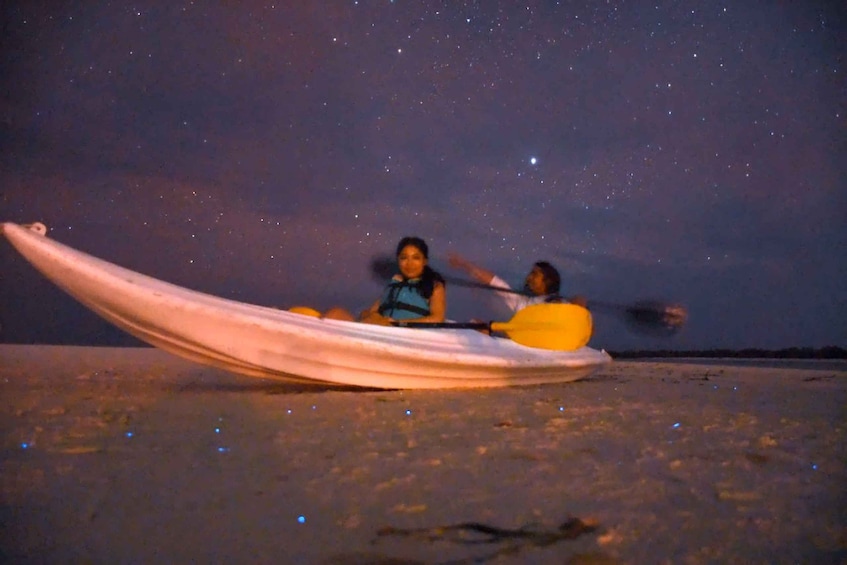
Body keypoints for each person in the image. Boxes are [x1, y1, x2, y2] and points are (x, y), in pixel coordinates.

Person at [324, 237, 447, 325]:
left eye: (416, 258)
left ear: (424, 261)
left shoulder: (434, 286)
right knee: (335, 313)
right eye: (404, 258)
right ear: (398, 260)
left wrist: (398, 322)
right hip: (381, 329)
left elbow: (437, 318)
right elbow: (370, 311)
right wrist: (371, 316)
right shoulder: (394, 285)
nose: (409, 264)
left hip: (403, 333)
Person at [447, 253, 586, 311]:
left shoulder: (562, 304)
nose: (528, 278)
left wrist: (580, 307)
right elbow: (496, 283)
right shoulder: (521, 302)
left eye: (534, 274)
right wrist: (465, 265)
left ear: (547, 280)